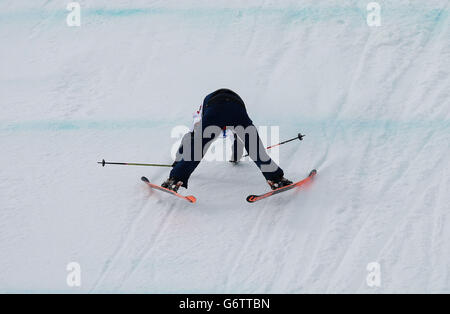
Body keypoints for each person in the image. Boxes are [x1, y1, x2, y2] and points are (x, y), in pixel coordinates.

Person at [162, 89, 292, 192]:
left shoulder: (201, 117)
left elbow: (190, 138)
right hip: (236, 109)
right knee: (255, 149)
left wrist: (178, 162)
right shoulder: (228, 125)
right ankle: (276, 179)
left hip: (215, 108)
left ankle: (175, 180)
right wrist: (235, 158)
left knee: (197, 149)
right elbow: (239, 142)